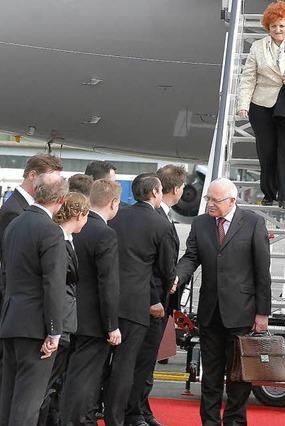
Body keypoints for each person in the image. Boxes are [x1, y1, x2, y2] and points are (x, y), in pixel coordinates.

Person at [175, 178, 271, 426]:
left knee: (239, 376)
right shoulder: (201, 223)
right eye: (208, 198)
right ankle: (209, 422)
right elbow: (191, 257)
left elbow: (263, 271)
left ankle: (235, 421)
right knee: (211, 375)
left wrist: (263, 313)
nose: (209, 204)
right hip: (210, 313)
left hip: (242, 313)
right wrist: (177, 276)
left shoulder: (253, 223)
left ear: (232, 201)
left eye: (214, 201)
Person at [0, 154, 63, 426]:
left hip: (13, 316)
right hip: (30, 320)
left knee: (11, 395)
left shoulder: (18, 217)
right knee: (23, 399)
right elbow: (48, 280)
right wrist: (55, 329)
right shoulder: (26, 218)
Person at [106, 174, 177, 426]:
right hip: (138, 306)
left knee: (106, 362)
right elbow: (167, 270)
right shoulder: (161, 225)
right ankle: (118, 417)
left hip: (109, 300)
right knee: (127, 365)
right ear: (156, 193)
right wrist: (169, 285)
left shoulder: (117, 217)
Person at [237, 1, 285, 210]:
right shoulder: (257, 46)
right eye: (273, 26)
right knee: (267, 152)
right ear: (268, 27)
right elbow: (248, 78)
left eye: (281, 25)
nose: (278, 30)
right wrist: (242, 104)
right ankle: (269, 193)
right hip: (261, 104)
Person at [125, 165, 186, 426]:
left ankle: (141, 407)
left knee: (147, 361)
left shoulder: (162, 215)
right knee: (142, 360)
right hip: (151, 302)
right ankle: (135, 411)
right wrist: (156, 296)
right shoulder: (156, 219)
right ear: (174, 189)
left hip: (156, 300)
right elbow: (147, 265)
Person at [60, 179, 123, 425]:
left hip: (67, 314)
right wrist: (112, 325)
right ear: (114, 203)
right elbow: (108, 283)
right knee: (85, 379)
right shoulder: (105, 234)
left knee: (68, 375)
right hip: (92, 321)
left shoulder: (73, 227)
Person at [38, 192, 90, 426]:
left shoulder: (66, 239)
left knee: (55, 383)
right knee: (49, 384)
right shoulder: (58, 240)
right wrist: (55, 330)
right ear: (79, 214)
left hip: (66, 320)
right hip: (61, 321)